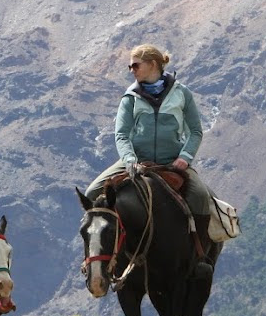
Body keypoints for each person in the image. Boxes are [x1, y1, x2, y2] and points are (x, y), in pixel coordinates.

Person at [85, 44, 217, 275]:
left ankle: (200, 256)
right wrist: (129, 160)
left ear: (153, 64)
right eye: (130, 66)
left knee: (200, 196)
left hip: (172, 161)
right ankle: (100, 258)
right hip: (136, 161)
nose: (131, 69)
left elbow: (195, 131)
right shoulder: (130, 97)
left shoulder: (181, 93)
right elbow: (122, 134)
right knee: (92, 193)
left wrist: (185, 158)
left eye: (135, 65)